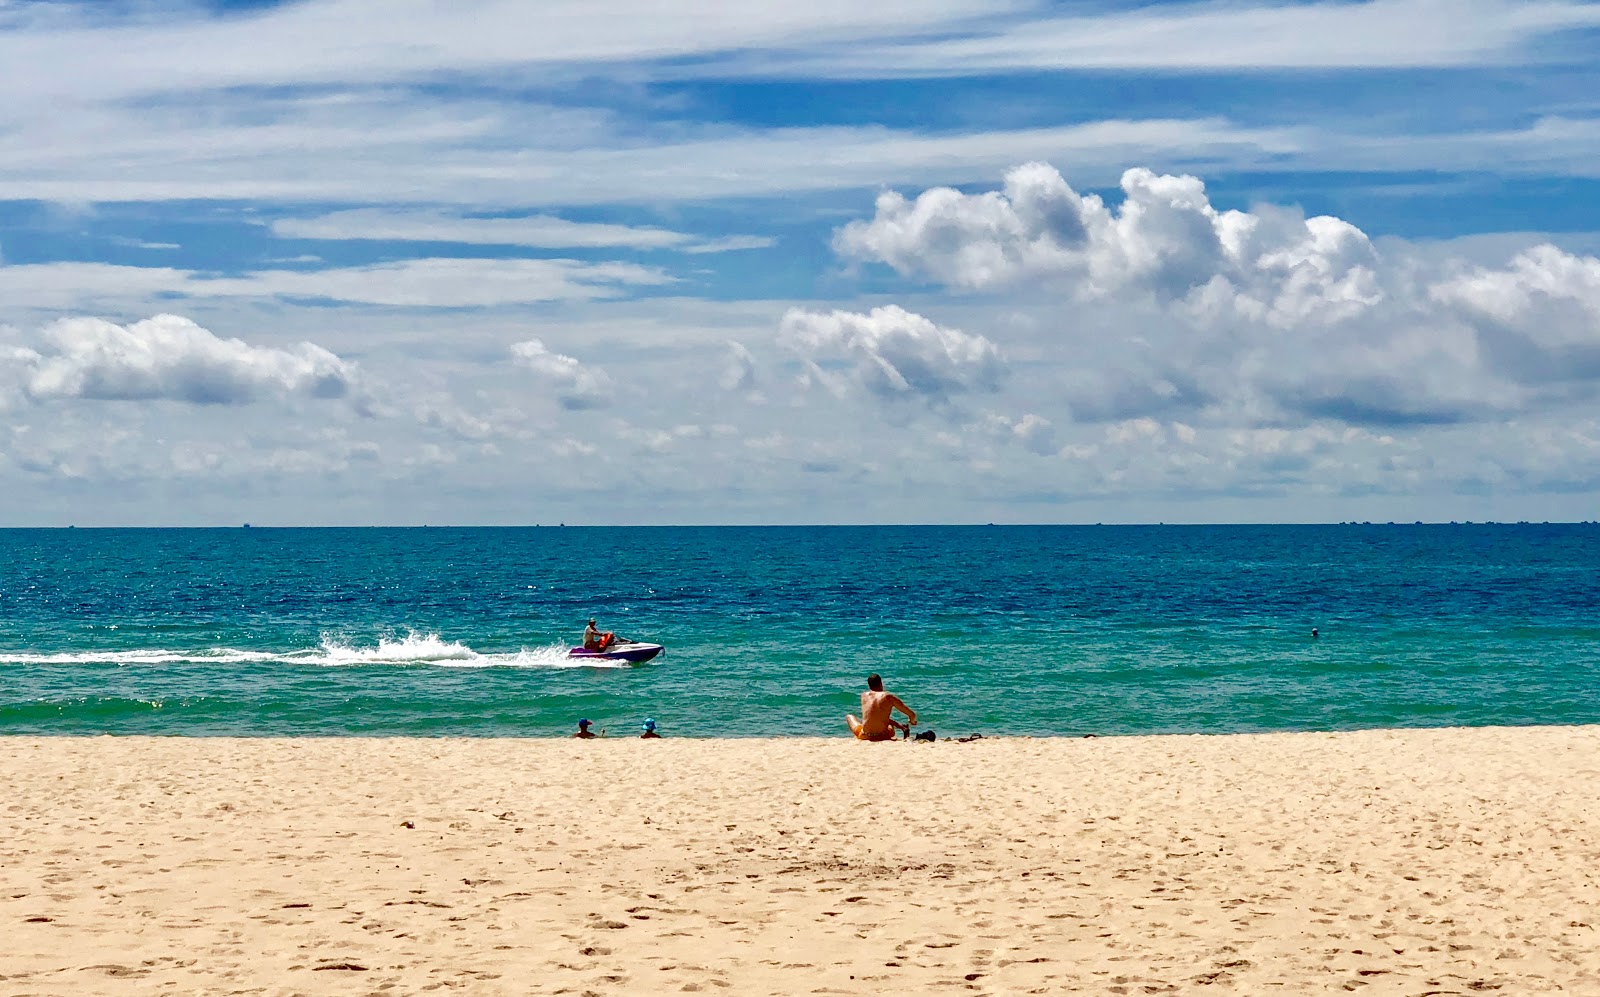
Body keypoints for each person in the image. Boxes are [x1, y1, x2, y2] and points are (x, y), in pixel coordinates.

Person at [846, 673, 917, 742]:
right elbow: (911, 714)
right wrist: (912, 721)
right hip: (884, 736)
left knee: (849, 717)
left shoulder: (864, 695)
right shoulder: (888, 696)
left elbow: (877, 716)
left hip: (864, 736)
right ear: (881, 683)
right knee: (888, 725)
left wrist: (898, 725)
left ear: (869, 686)